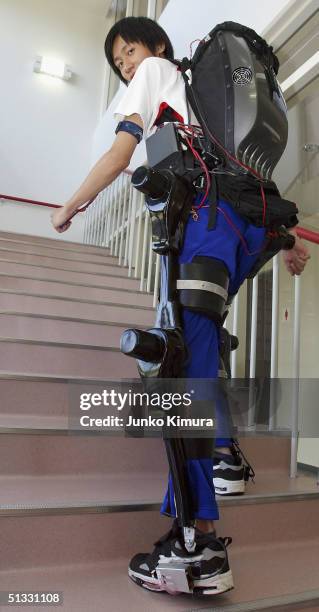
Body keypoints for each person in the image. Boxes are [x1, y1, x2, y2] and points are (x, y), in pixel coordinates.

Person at [52, 16, 310, 596]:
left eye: (131, 51)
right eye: (118, 62)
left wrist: (71, 204)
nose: (126, 65)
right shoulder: (201, 103)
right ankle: (223, 454)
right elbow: (238, 183)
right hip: (245, 225)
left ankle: (197, 543)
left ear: (157, 48)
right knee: (204, 340)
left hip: (206, 222)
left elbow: (122, 152)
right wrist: (290, 242)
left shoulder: (157, 73)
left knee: (181, 369)